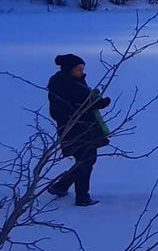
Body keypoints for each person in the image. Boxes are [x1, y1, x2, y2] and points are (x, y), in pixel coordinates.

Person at [45, 53, 110, 207]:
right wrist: (95, 104)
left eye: (82, 69)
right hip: (75, 131)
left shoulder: (74, 82)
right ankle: (81, 197)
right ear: (69, 69)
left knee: (86, 160)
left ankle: (60, 187)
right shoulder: (63, 85)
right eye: (78, 69)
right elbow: (68, 108)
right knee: (85, 161)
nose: (82, 72)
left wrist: (96, 103)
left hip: (85, 129)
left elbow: (84, 101)